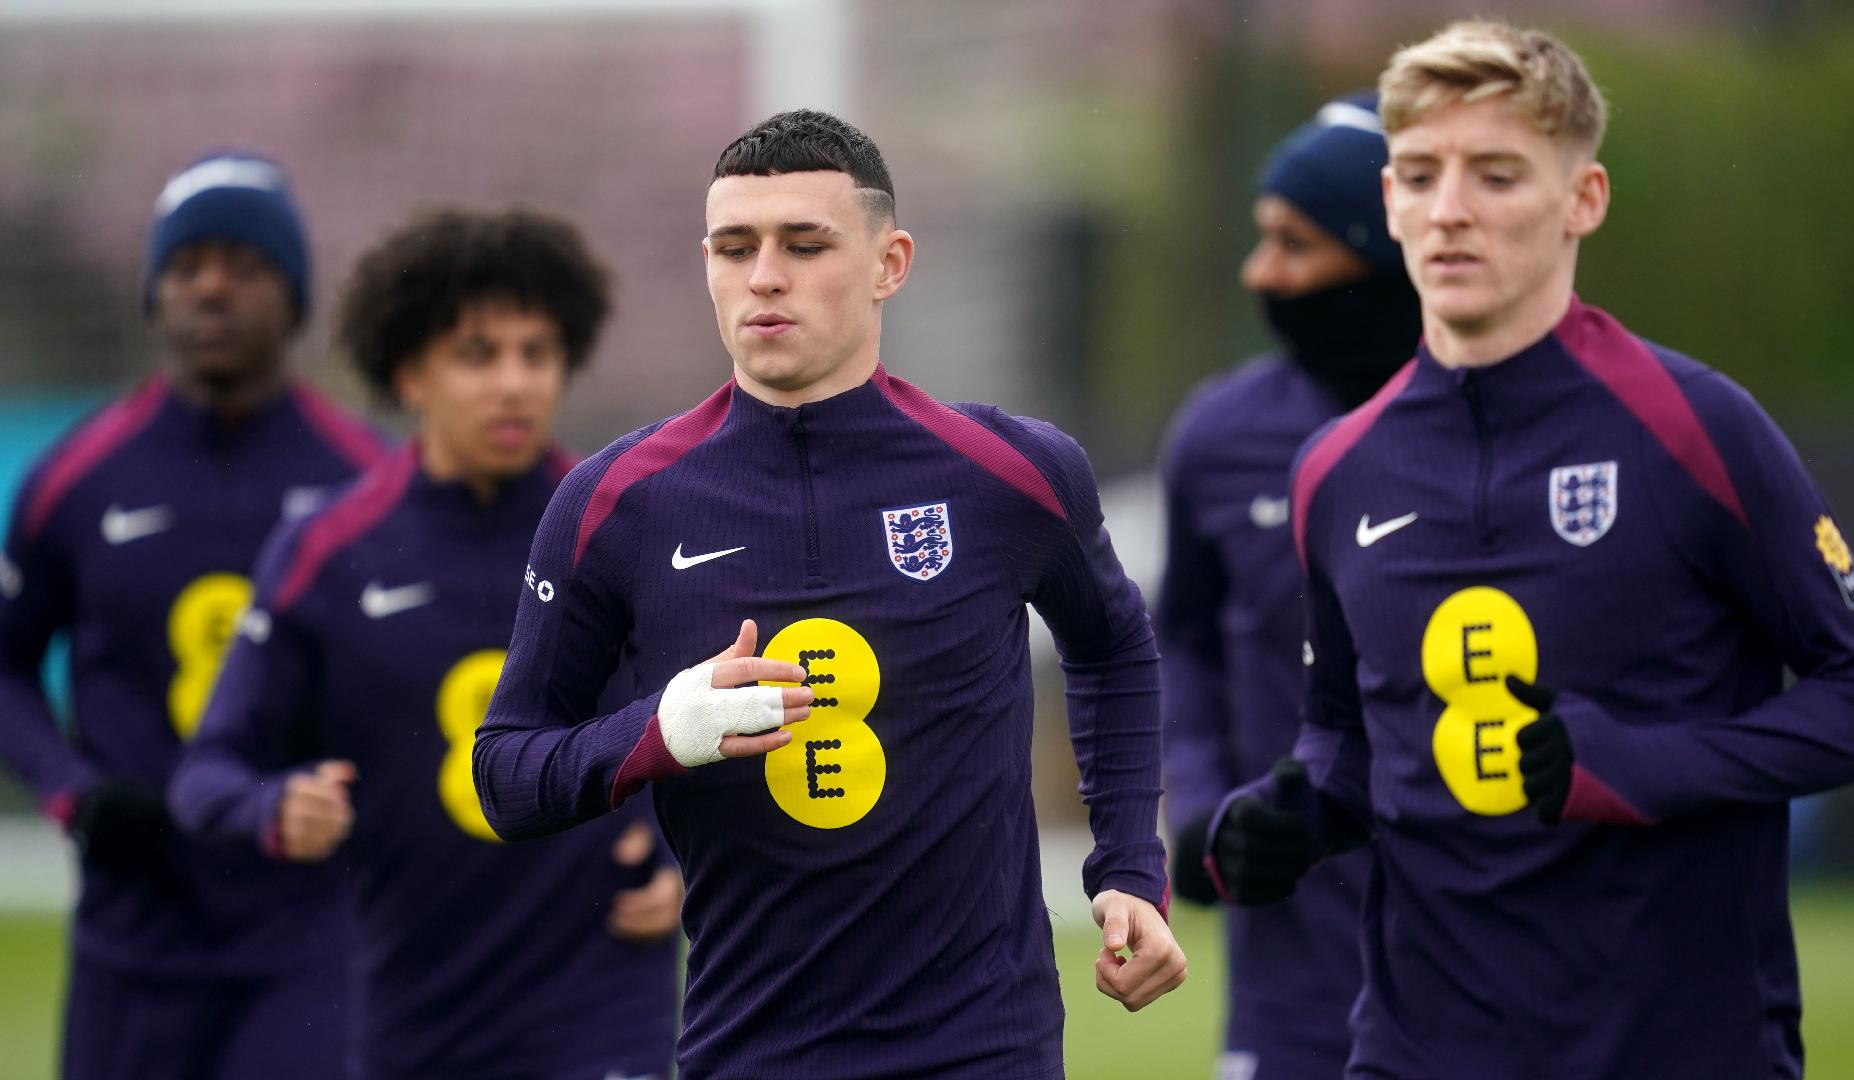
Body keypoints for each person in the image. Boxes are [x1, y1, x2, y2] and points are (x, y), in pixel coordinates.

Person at [1205, 21, 1854, 1078]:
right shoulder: (1335, 468)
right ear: (1391, 203)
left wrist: (1636, 762)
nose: (1451, 208)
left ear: (1582, 201)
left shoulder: (1695, 426)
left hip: (1678, 1046)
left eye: (1497, 175)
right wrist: (1291, 816)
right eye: (1419, 174)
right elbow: (1345, 740)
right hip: (1416, 1050)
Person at [473, 109, 1185, 1079]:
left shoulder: (1011, 472)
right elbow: (505, 776)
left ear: (890, 263)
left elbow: (1112, 647)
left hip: (987, 1049)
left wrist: (1130, 868)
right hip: (751, 1050)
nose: (765, 274)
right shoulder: (615, 504)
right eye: (736, 247)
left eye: (805, 244)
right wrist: (658, 733)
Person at [168, 207, 682, 1080]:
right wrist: (275, 807)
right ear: (409, 372)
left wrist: (675, 857)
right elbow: (205, 772)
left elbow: (703, 721)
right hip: (414, 1013)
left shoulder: (625, 525)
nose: (515, 383)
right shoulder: (326, 554)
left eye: (538, 353)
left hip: (601, 1003)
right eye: (478, 355)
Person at [0, 151, 382, 1080]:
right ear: (153, 295)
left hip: (309, 938)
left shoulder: (360, 480)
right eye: (186, 267)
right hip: (131, 939)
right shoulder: (77, 479)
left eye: (244, 266)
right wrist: (71, 791)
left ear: (293, 297)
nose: (211, 288)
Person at [1157, 92, 1420, 1080]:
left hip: (1491, 938)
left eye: (1294, 243)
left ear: (1381, 250)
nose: (1259, 273)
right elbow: (1179, 632)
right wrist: (1197, 799)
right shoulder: (1218, 434)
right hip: (1291, 954)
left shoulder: (1507, 425)